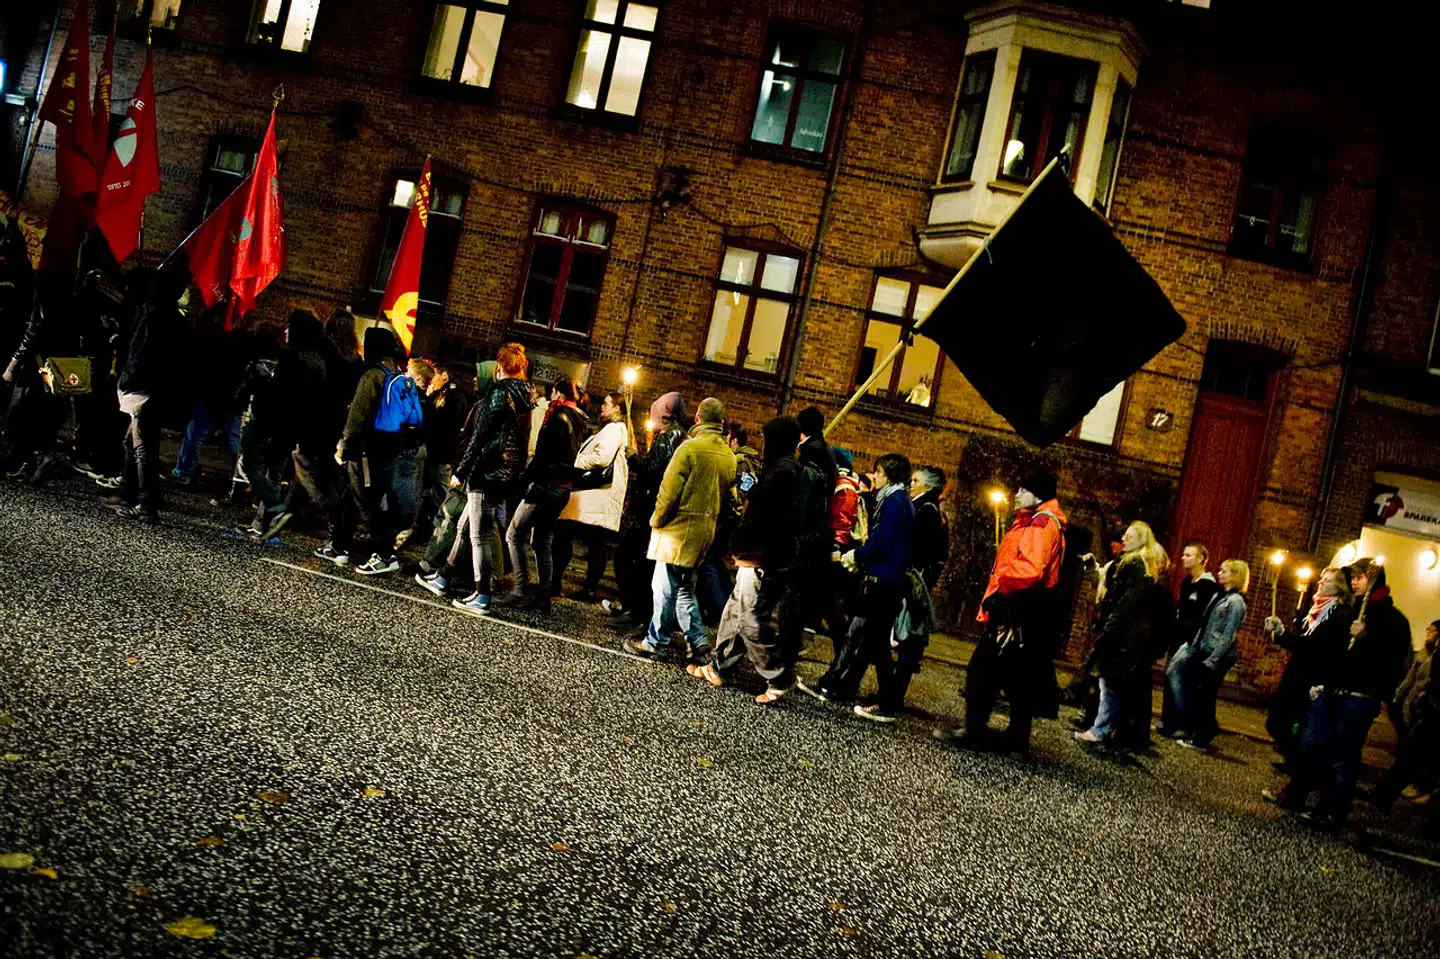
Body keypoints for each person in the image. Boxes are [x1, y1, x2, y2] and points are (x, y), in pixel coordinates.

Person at [1262, 558, 1411, 830]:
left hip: (1359, 698)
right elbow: (1318, 649)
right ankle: (1297, 793)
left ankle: (1332, 810)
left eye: (1359, 577)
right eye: (1352, 577)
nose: (1354, 582)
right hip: (1331, 691)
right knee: (1309, 743)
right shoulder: (1347, 614)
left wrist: (1368, 640)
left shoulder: (1393, 621)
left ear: (1375, 578)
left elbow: (1392, 663)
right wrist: (1284, 635)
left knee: (1342, 754)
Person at [938, 471, 1067, 755]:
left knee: (983, 670)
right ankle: (1014, 740)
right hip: (1021, 611)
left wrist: (1002, 590)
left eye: (1023, 489)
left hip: (1014, 609)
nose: (1017, 494)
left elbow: (1030, 569)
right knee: (1014, 676)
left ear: (1038, 495)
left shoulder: (1041, 523)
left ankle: (975, 730)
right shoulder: (1035, 522)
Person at [687, 416, 807, 704]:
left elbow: (771, 514)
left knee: (750, 620)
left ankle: (778, 675)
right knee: (733, 614)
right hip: (756, 555)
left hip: (763, 557)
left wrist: (752, 491)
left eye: (767, 439)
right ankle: (719, 667)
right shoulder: (782, 469)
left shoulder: (784, 472)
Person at [800, 453, 917, 723]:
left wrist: (857, 556)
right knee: (860, 636)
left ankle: (882, 701)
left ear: (888, 474)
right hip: (886, 581)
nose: (874, 477)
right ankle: (833, 684)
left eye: (878, 472)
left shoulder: (893, 503)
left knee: (872, 642)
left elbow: (882, 543)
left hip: (882, 582)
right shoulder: (901, 502)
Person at [629, 397, 736, 662]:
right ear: (720, 423)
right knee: (685, 587)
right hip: (705, 529)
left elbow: (669, 490)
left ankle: (656, 642)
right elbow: (727, 497)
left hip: (678, 529)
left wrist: (656, 520)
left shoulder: (689, 449)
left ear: (698, 417)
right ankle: (698, 643)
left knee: (663, 587)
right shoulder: (728, 456)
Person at [438, 343, 533, 614]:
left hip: (487, 470)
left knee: (479, 535)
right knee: (473, 527)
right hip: (506, 472)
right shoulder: (526, 396)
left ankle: (482, 594)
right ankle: (451, 577)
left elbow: (480, 438)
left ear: (500, 368)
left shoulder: (499, 393)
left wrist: (462, 470)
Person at [315, 325, 412, 569]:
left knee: (366, 502)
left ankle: (385, 555)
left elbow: (357, 416)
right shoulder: (396, 372)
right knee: (352, 497)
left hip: (366, 450)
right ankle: (339, 545)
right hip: (386, 447)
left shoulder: (372, 375)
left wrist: (343, 447)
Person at [1074, 521, 1172, 751]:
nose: (1124, 538)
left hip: (1126, 637)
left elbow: (1125, 607)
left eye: (1130, 536)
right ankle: (1110, 730)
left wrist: (1109, 632)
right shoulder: (1135, 566)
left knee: (1111, 684)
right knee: (1112, 684)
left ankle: (1103, 731)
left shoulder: (1135, 567)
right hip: (1128, 636)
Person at [104, 265, 188, 523]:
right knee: (133, 444)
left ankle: (146, 504)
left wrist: (126, 381)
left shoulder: (153, 316)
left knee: (143, 449)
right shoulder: (175, 317)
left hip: (144, 391)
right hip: (158, 391)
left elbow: (140, 355)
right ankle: (131, 494)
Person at [499, 376, 586, 612]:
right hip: (562, 488)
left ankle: (520, 589)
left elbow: (543, 456)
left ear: (557, 393)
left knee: (514, 533)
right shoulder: (579, 418)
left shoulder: (556, 417)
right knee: (542, 541)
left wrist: (524, 478)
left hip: (545, 486)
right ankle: (543, 597)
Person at [1263, 567, 1354, 770]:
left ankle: (1299, 765)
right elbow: (1302, 640)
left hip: (1310, 678)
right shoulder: (1316, 610)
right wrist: (1282, 631)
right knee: (1280, 720)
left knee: (1284, 722)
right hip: (1297, 674)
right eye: (1321, 579)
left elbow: (1312, 647)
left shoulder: (1338, 615)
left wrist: (1282, 633)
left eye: (1327, 581)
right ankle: (1294, 761)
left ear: (1340, 588)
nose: (1320, 583)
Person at [611, 391, 688, 629]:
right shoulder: (678, 435)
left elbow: (655, 473)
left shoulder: (668, 436)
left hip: (649, 509)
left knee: (627, 558)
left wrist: (634, 459)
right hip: (656, 508)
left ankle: (636, 611)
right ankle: (638, 610)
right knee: (641, 562)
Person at [553, 390, 632, 603]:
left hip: (596, 494)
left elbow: (601, 458)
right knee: (594, 543)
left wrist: (575, 462)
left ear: (617, 408)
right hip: (597, 496)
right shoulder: (614, 429)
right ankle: (583, 587)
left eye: (607, 404)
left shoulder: (615, 429)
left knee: (568, 533)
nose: (602, 407)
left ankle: (565, 584)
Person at [1169, 559, 1249, 750]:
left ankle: (1202, 736)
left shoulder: (1235, 602)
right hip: (1205, 650)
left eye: (1224, 571)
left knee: (1205, 694)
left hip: (1219, 656)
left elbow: (1228, 634)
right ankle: (1205, 729)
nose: (1219, 573)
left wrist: (1213, 660)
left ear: (1235, 576)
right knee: (1202, 692)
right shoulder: (1220, 596)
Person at [1364, 620, 1439, 812]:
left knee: (1411, 753)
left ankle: (1394, 794)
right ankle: (1383, 796)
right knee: (1408, 753)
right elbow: (1412, 679)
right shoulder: (1428, 653)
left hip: (1432, 713)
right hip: (1422, 709)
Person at [1157, 542, 1221, 736]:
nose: (1183, 558)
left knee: (1180, 680)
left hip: (1191, 642)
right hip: (1177, 638)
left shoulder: (1208, 586)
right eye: (1184, 554)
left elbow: (1201, 617)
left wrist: (1191, 637)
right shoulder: (1187, 583)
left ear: (1200, 559)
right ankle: (1168, 720)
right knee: (1170, 678)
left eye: (1188, 555)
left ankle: (1182, 723)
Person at [793, 406, 842, 643]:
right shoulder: (823, 450)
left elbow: (806, 492)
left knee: (801, 589)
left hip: (809, 529)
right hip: (819, 529)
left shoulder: (810, 452)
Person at [909, 465, 949, 592]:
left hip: (913, 574)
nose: (911, 484)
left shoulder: (926, 509)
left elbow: (922, 547)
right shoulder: (923, 507)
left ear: (928, 486)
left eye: (916, 481)